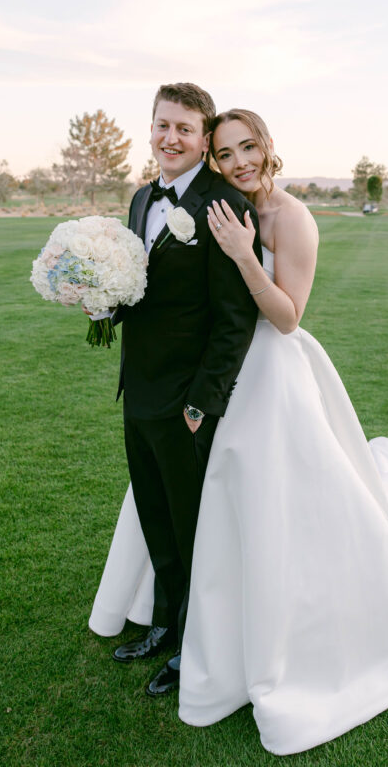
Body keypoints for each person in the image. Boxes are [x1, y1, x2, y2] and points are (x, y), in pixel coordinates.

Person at [90, 108, 388, 754]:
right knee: (192, 504)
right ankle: (180, 616)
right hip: (204, 374)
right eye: (226, 153)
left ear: (269, 147)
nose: (239, 162)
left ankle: (245, 630)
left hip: (269, 370)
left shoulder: (289, 217)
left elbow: (286, 315)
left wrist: (239, 253)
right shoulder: (217, 201)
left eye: (248, 147)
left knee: (267, 501)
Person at [92, 85, 260, 697]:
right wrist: (97, 300)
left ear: (203, 136)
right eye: (162, 125)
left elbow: (235, 320)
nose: (170, 138)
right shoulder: (141, 198)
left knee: (194, 532)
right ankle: (164, 623)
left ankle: (196, 646)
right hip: (137, 393)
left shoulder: (225, 206)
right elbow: (138, 287)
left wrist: (200, 404)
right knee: (155, 518)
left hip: (187, 404)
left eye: (184, 129)